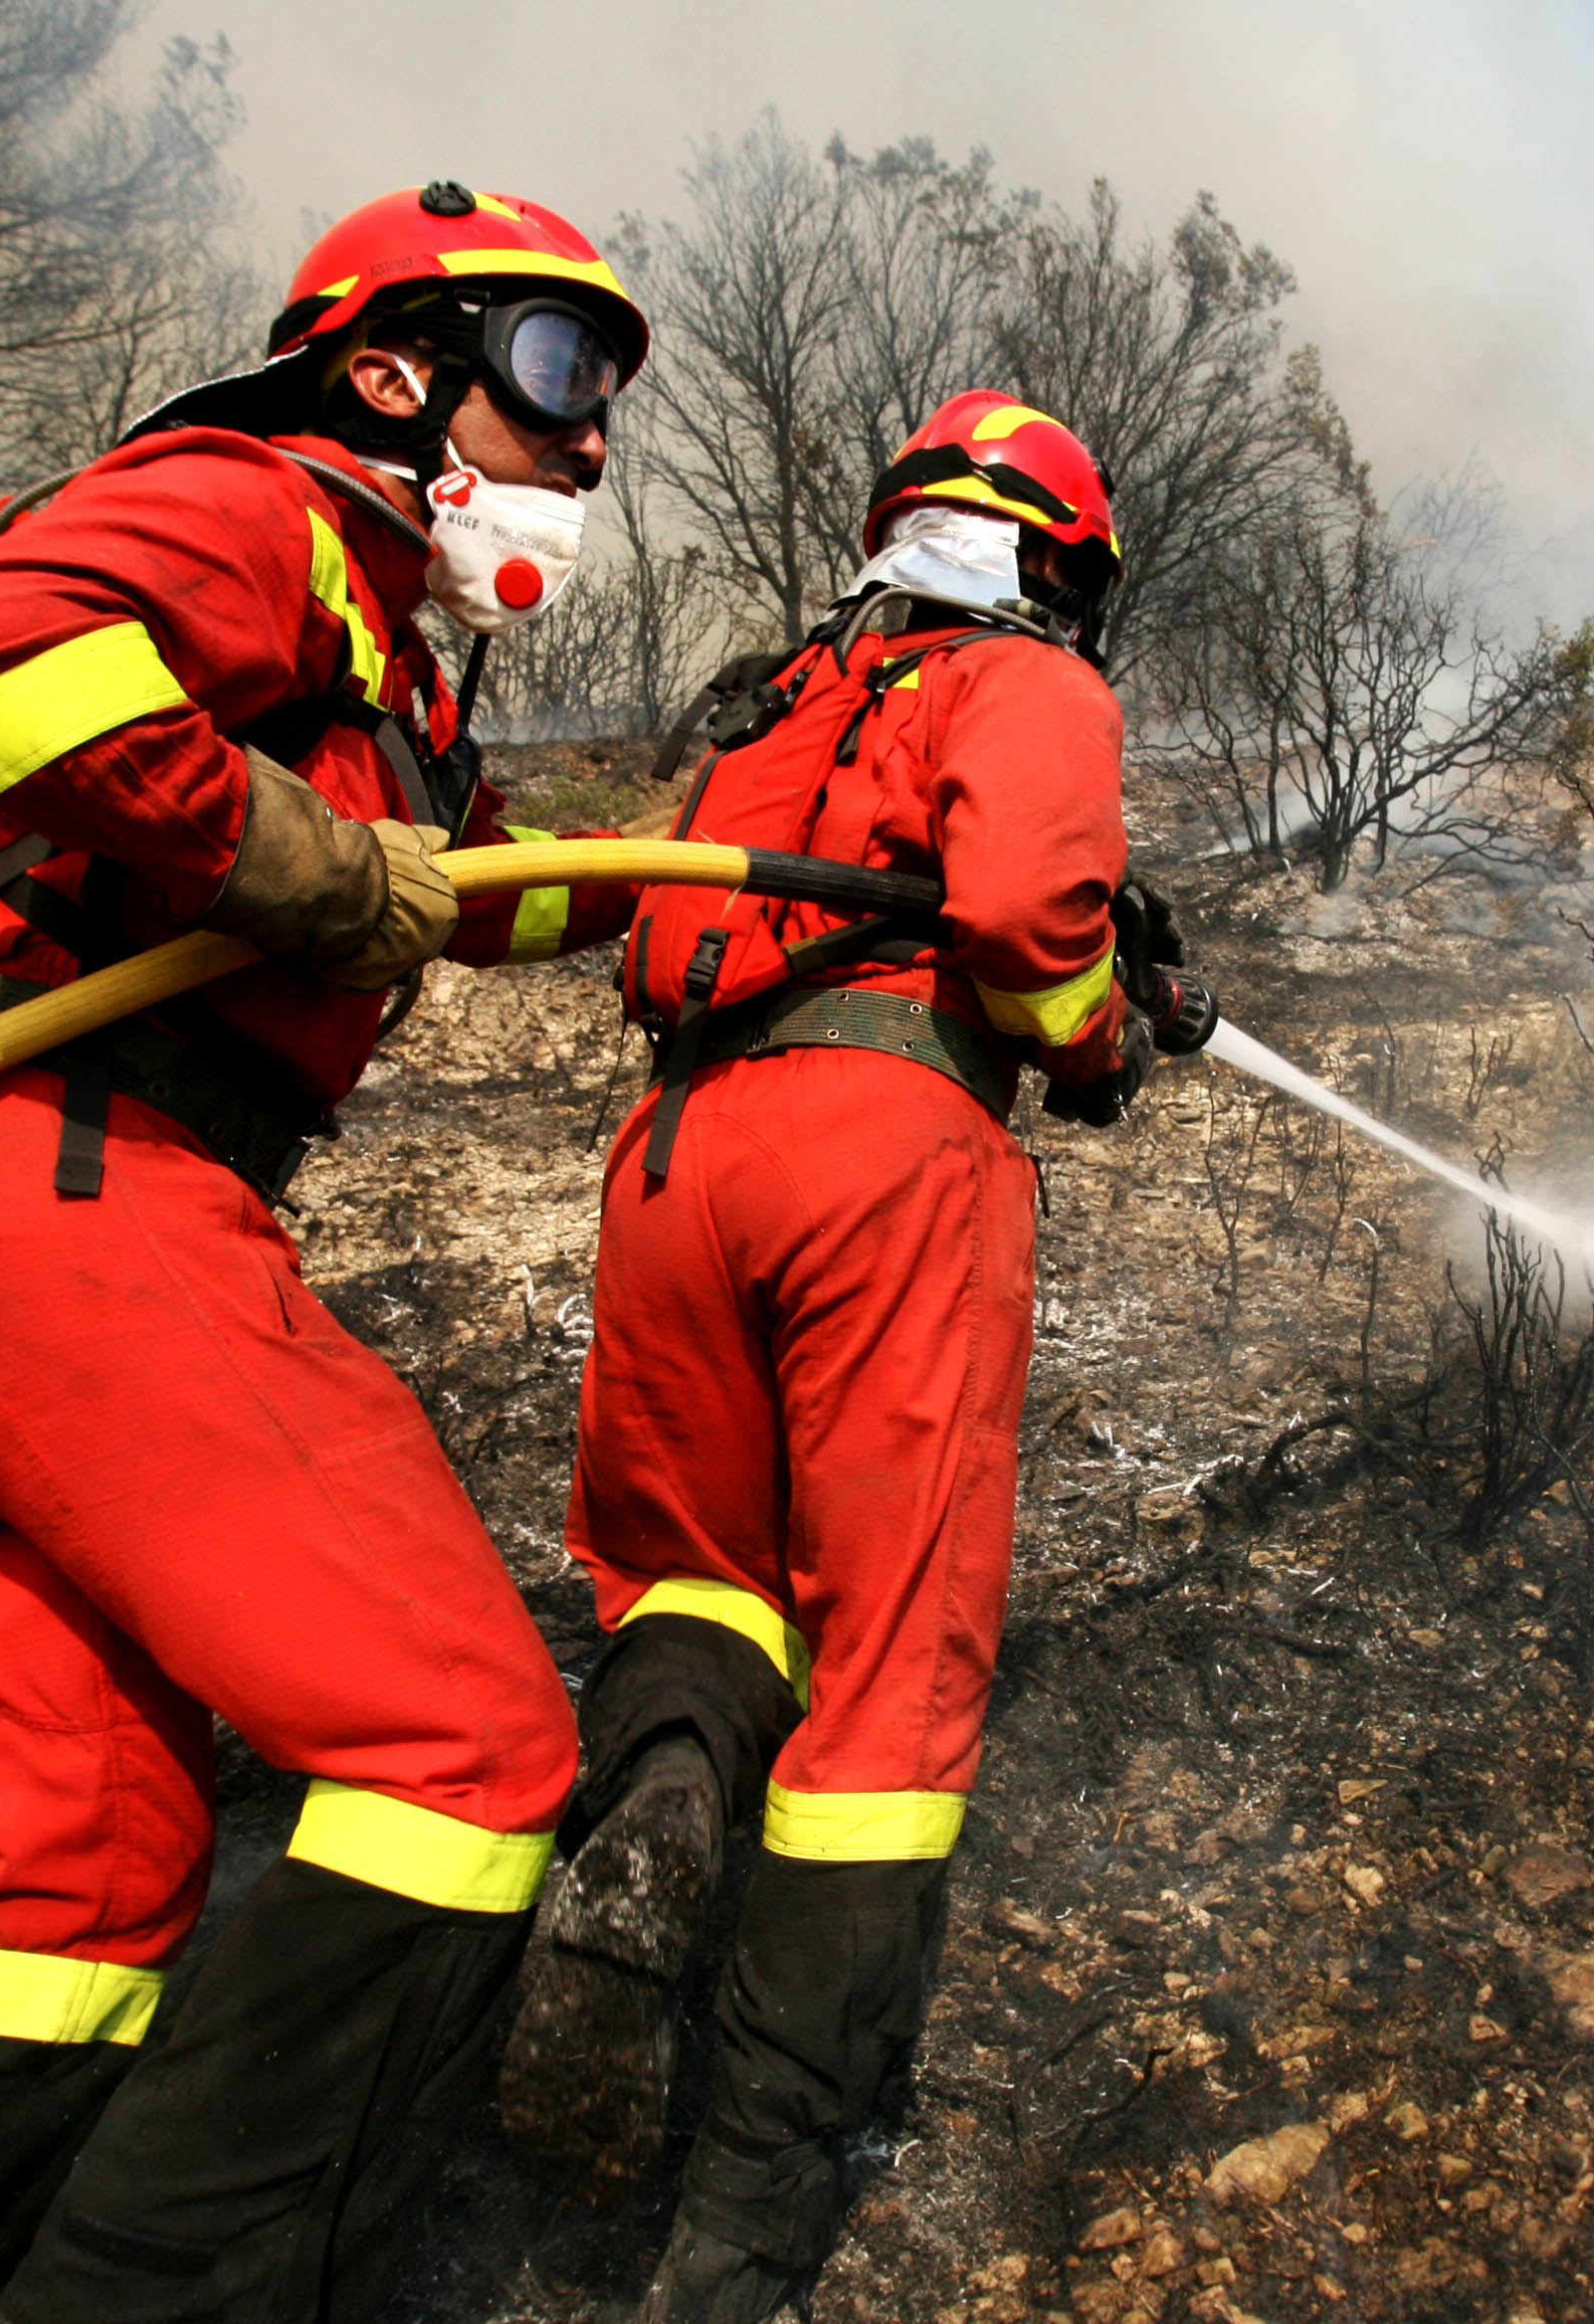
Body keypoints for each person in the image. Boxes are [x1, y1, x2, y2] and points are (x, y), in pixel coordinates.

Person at [0, 182, 650, 2324]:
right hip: (80, 1179)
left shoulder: (373, 651)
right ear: (391, 369)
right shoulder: (262, 505)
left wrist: (733, 871)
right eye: (557, 370)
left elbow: (470, 888)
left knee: (73, 1870)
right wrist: (305, 863)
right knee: (464, 1746)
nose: (591, 438)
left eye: (610, 396)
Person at [501, 392, 1218, 2324]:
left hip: (678, 1157)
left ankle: (663, 1797)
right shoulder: (1029, 678)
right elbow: (1023, 925)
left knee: (694, 1570)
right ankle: (753, 2199)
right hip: (884, 1155)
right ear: (1060, 563)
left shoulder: (786, 701)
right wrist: (1102, 1036)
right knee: (892, 1664)